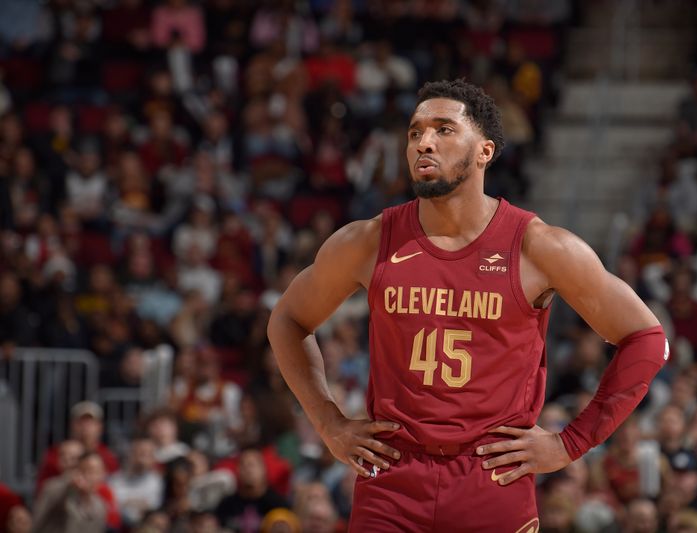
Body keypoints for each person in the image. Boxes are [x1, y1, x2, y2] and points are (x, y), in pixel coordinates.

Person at [267, 79, 668, 531]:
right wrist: (328, 422)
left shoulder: (539, 247)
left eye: (444, 130)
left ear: (485, 152)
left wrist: (570, 443)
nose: (425, 143)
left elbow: (647, 339)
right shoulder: (368, 240)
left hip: (492, 476)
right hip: (392, 476)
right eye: (415, 132)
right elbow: (288, 319)